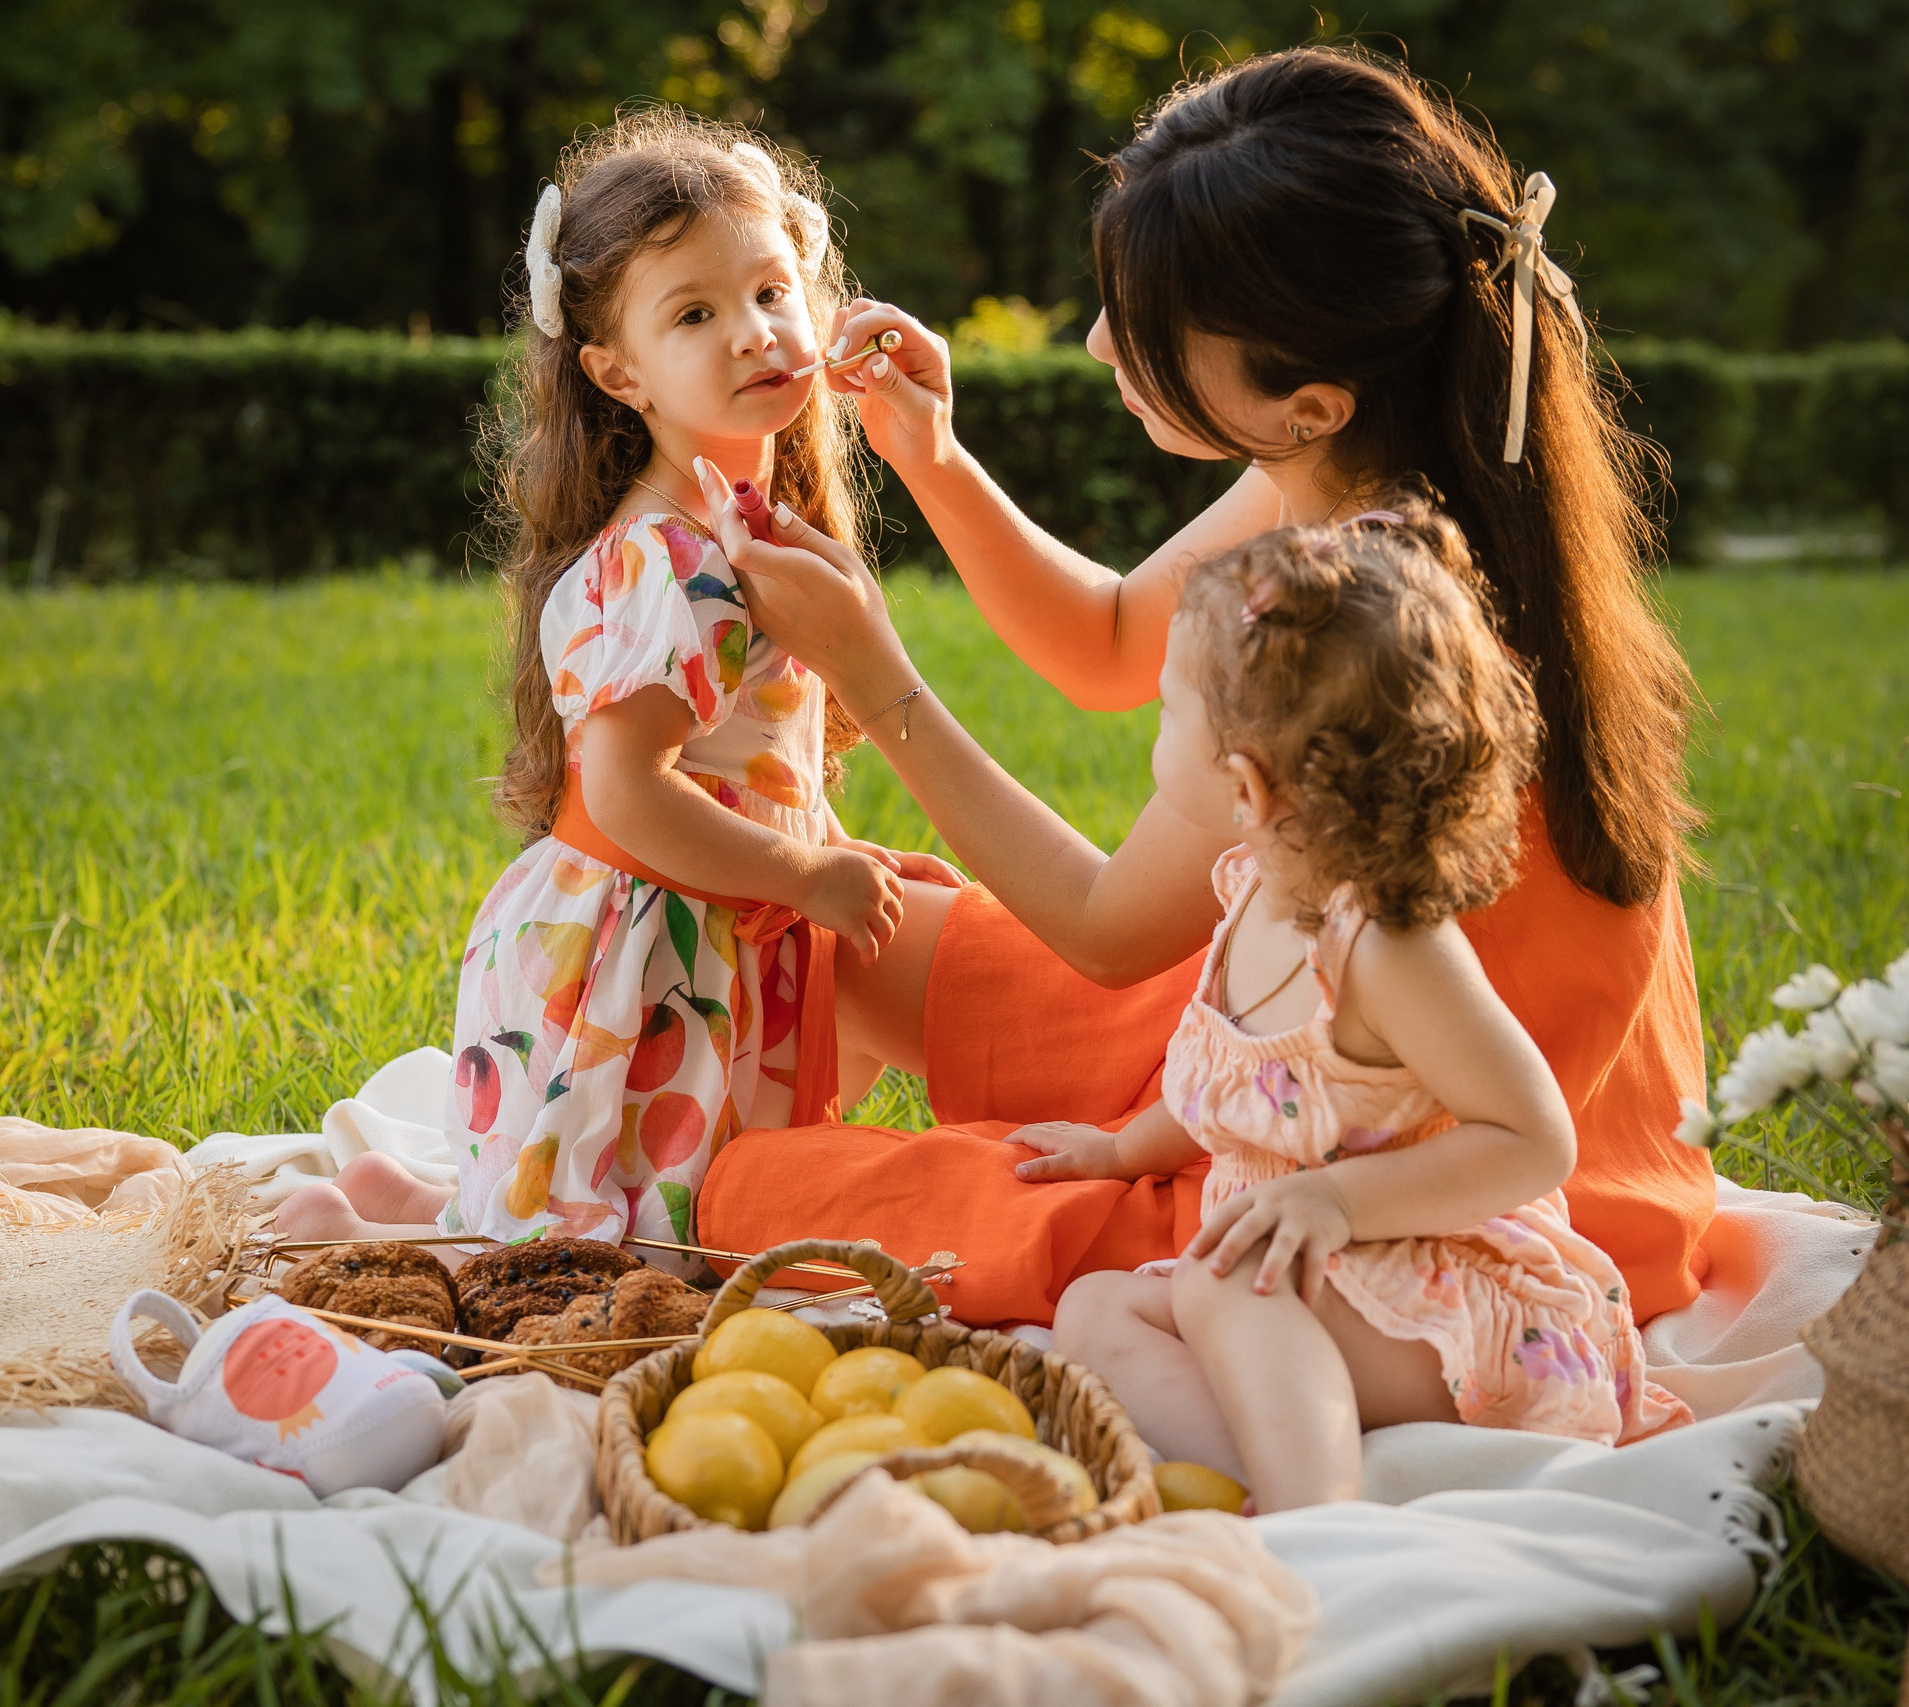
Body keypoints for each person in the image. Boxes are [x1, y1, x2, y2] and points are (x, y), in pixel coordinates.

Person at [692, 45, 1720, 1325]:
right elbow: (1113, 641)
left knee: (754, 1197)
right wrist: (933, 455)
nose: (1096, 342)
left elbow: (1107, 929)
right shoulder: (1372, 460)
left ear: (1307, 403)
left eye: (1145, 326)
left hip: (1398, 1157)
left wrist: (869, 669)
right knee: (841, 933)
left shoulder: (1348, 607)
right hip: (1326, 1019)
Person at [273, 111, 956, 1262]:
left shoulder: (739, 523)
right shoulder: (670, 561)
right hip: (638, 957)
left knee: (646, 1219)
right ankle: (365, 1232)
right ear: (615, 371)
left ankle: (417, 1205)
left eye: (770, 292)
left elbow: (752, 758)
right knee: (614, 1245)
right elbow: (629, 792)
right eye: (695, 314)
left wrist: (829, 850)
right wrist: (803, 876)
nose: (753, 332)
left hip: (703, 924)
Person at [1034, 507, 1690, 1512]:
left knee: (1218, 1283)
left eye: (1167, 711)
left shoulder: (1385, 947)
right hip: (1311, 1287)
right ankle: (1257, 1480)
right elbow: (1243, 1091)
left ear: (1246, 786)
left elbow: (1534, 1138)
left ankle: (1316, 1514)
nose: (1152, 729)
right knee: (1094, 1311)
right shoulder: (1248, 893)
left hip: (1451, 1301)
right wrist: (1121, 1150)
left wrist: (1337, 1201)